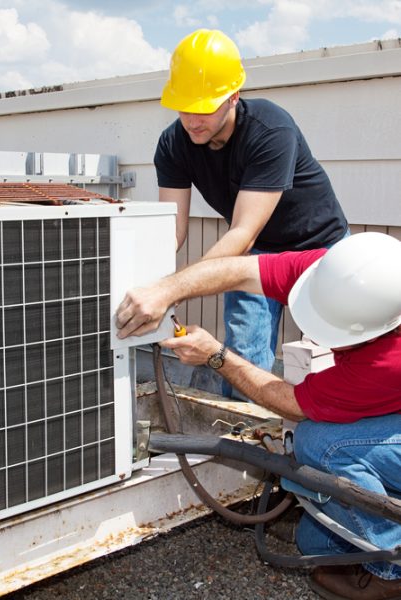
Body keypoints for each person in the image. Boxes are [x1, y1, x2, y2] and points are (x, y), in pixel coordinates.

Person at [115, 232, 401, 600]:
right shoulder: (343, 273)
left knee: (323, 446)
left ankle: (391, 571)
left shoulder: (387, 362)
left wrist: (217, 356)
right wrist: (166, 290)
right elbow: (237, 270)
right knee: (314, 542)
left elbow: (292, 403)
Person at [155, 28, 349, 398]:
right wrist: (150, 283)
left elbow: (242, 231)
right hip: (257, 253)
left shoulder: (270, 129)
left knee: (345, 350)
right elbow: (172, 230)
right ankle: (245, 443)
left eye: (206, 107)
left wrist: (172, 290)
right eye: (185, 107)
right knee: (242, 355)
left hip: (321, 249)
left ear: (233, 97)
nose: (193, 120)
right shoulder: (173, 143)